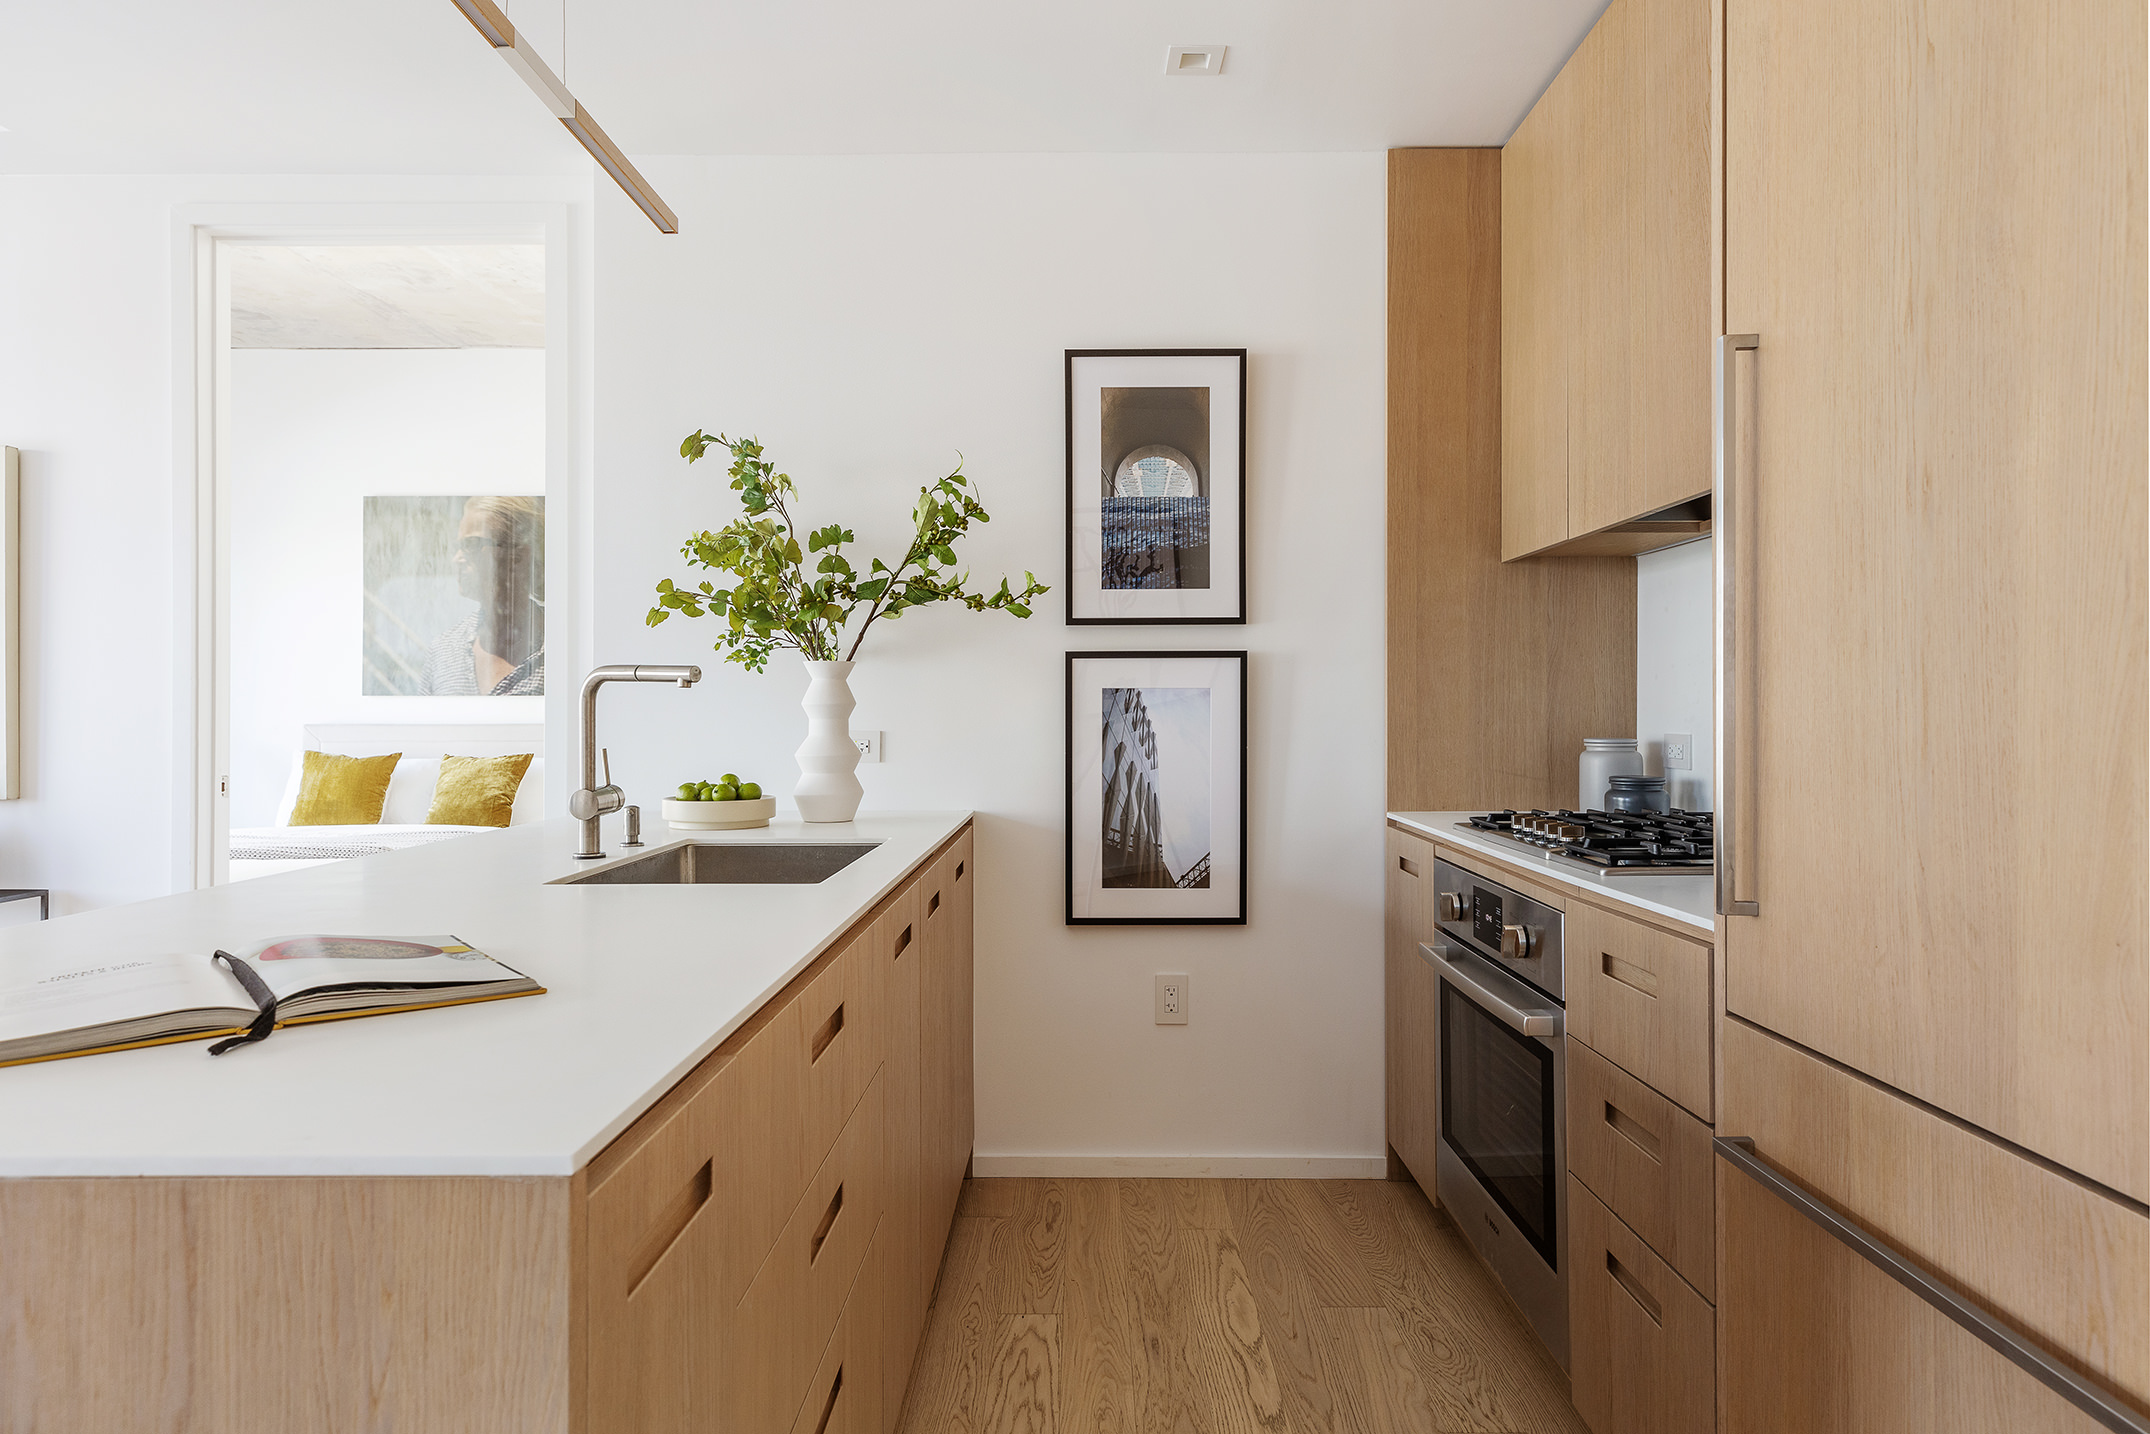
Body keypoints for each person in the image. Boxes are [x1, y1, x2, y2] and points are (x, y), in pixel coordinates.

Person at [421, 495, 544, 696]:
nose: (457, 559)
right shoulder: (444, 651)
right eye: (459, 546)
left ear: (519, 556)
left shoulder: (562, 645)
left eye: (471, 544)